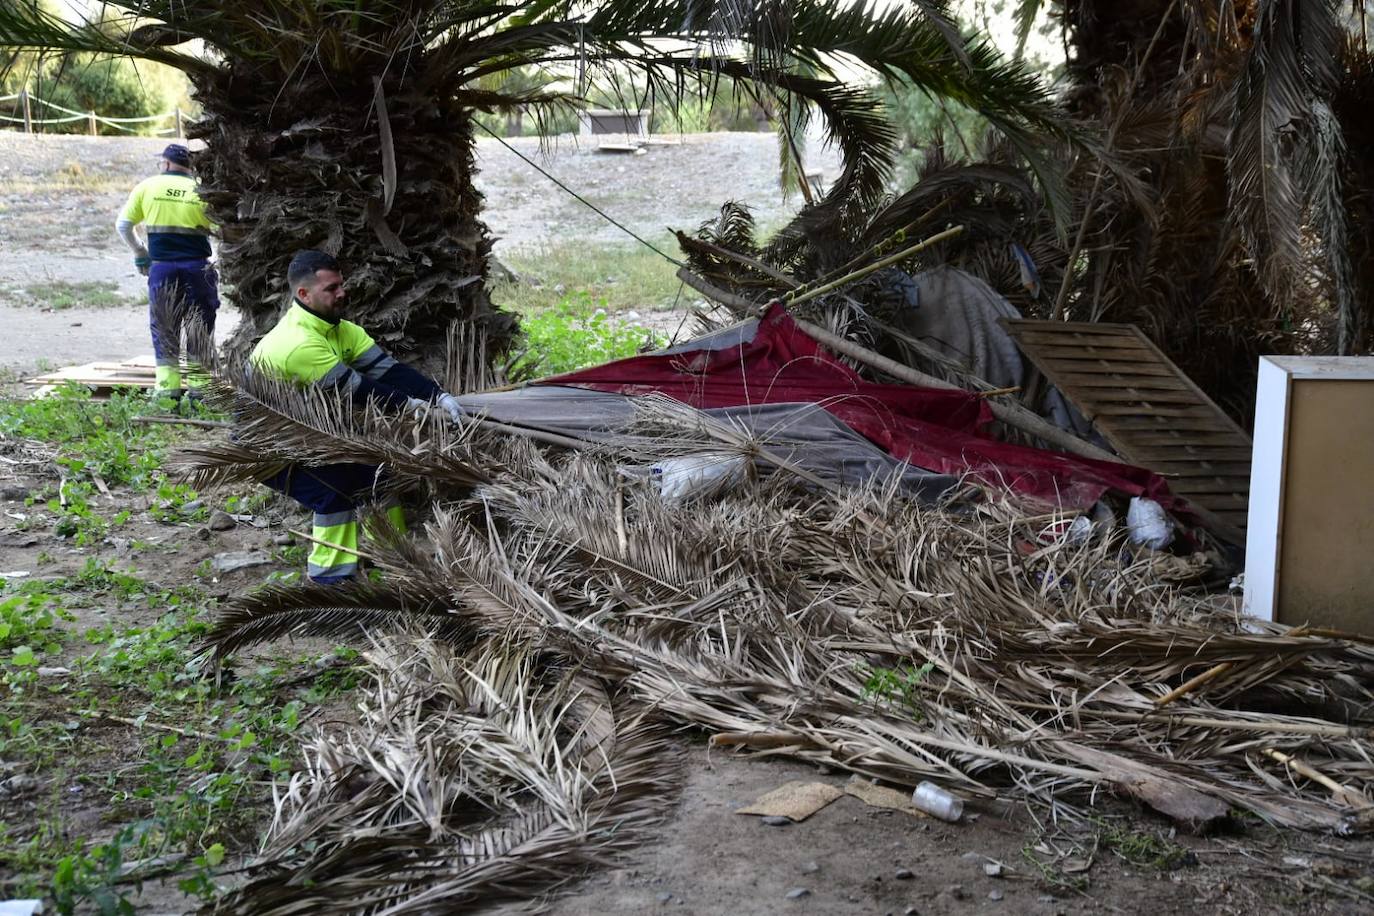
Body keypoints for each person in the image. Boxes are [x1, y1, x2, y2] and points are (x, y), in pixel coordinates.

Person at [249, 249, 466, 584]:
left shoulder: (341, 330)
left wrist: (438, 396)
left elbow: (388, 372)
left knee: (380, 472)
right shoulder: (297, 343)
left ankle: (393, 554)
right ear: (303, 294)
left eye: (340, 285)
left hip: (303, 434)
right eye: (331, 288)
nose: (341, 293)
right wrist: (415, 407)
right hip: (262, 446)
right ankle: (332, 581)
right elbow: (359, 388)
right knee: (335, 490)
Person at [115, 143, 218, 401]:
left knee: (165, 327)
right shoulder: (202, 191)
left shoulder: (147, 187)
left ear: (167, 163)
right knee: (200, 326)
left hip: (162, 269)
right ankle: (200, 393)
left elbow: (123, 226)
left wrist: (140, 252)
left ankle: (167, 392)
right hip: (198, 268)